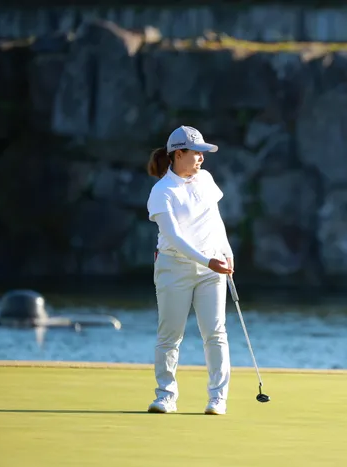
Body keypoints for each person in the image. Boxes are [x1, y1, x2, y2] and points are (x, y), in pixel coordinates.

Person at [145, 125, 235, 415]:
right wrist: (208, 261)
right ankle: (165, 396)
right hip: (174, 267)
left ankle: (217, 399)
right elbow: (174, 237)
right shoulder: (162, 191)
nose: (201, 158)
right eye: (196, 153)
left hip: (211, 267)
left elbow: (214, 220)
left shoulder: (205, 179)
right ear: (178, 154)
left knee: (215, 333)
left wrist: (226, 252)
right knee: (170, 335)